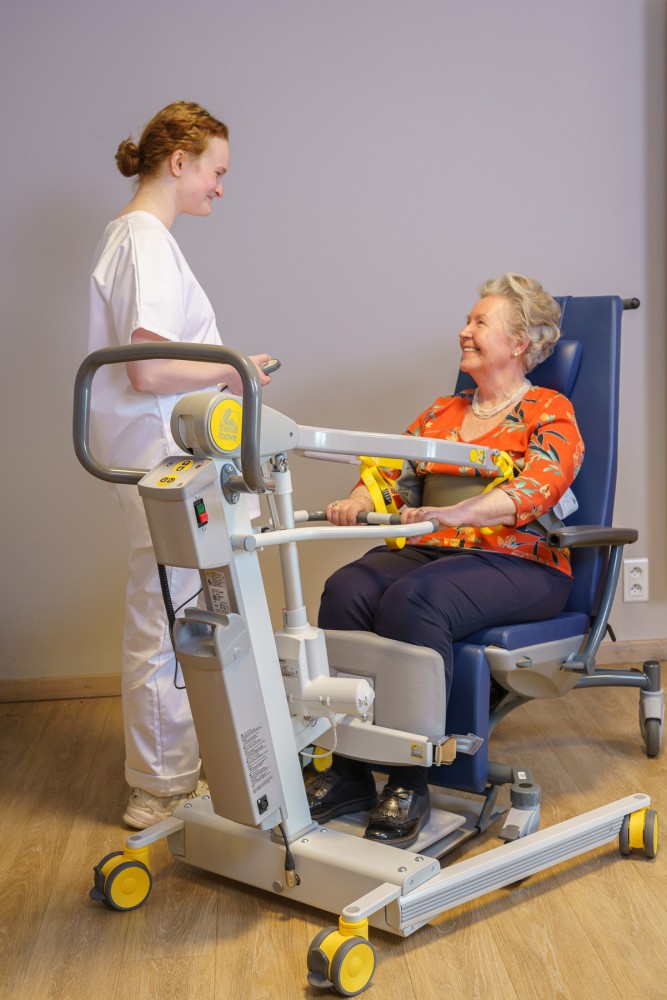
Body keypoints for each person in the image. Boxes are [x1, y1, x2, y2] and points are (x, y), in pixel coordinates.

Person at [309, 273, 584, 848]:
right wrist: (358, 500)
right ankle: (350, 769)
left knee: (418, 599)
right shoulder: (442, 411)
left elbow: (539, 487)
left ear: (519, 342)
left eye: (480, 322)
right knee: (346, 588)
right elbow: (392, 472)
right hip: (437, 549)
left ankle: (410, 779)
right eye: (467, 320)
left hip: (521, 560)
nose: (464, 330)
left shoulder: (548, 410)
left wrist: (458, 514)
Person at [88, 101, 273, 829]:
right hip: (161, 456)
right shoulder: (145, 240)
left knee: (173, 611)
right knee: (171, 619)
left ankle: (181, 772)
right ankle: (161, 788)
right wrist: (233, 369)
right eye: (215, 171)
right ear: (178, 162)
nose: (220, 186)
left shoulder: (128, 236)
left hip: (159, 454)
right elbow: (149, 368)